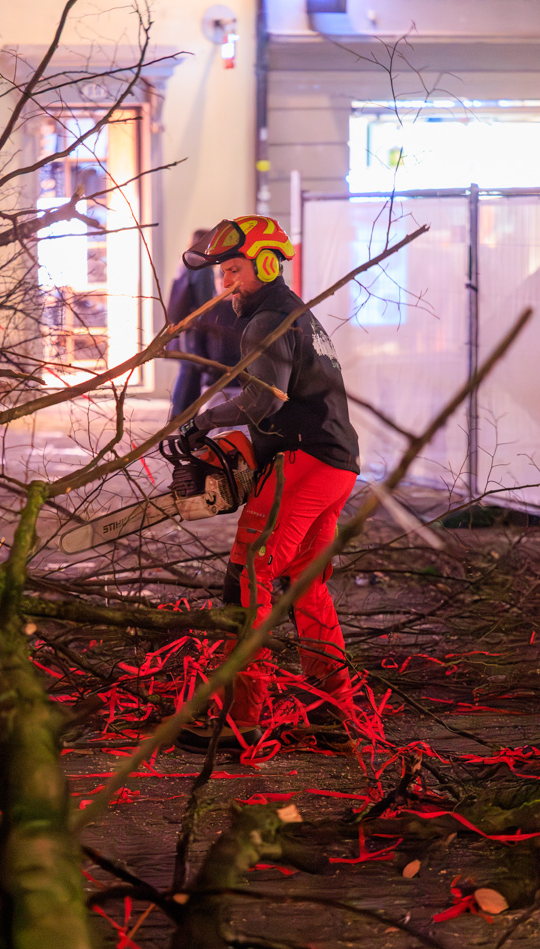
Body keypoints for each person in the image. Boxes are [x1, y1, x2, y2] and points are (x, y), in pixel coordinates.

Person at [175, 215, 360, 751]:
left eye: (234, 271)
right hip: (336, 464)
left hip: (302, 464)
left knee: (248, 580)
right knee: (307, 589)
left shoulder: (266, 321)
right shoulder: (293, 312)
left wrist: (202, 420)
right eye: (220, 274)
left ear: (266, 263)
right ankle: (334, 716)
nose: (225, 284)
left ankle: (241, 722)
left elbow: (264, 400)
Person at [167, 229, 245, 417]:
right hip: (198, 325)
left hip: (188, 324)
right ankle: (183, 415)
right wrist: (212, 316)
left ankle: (179, 413)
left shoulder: (186, 262)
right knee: (191, 369)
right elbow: (205, 300)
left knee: (188, 368)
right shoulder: (201, 267)